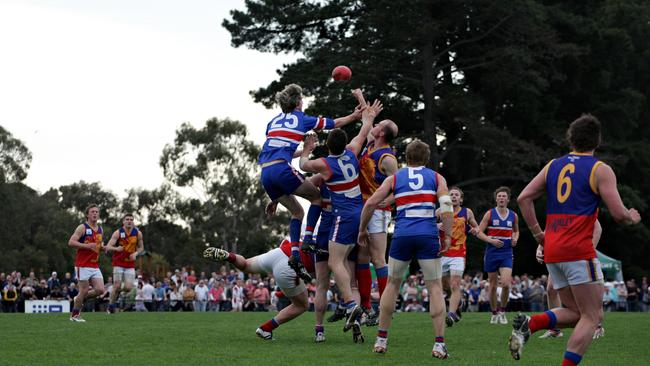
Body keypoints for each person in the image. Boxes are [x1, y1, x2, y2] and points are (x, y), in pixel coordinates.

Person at [512, 114, 641, 365]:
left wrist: (540, 235)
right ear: (598, 140)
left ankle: (532, 323)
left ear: (570, 138)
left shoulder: (553, 165)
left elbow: (523, 198)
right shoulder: (599, 169)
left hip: (553, 252)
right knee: (592, 317)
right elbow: (618, 214)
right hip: (579, 251)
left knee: (575, 313)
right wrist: (631, 217)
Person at [358, 139, 454, 358]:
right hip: (428, 235)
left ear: (406, 158)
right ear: (427, 159)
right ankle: (439, 344)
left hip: (402, 235)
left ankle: (381, 340)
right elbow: (447, 206)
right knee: (435, 288)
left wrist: (362, 229)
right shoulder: (437, 178)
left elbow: (371, 203)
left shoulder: (395, 178)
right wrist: (447, 236)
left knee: (392, 285)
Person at [259, 84, 363, 279]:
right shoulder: (303, 119)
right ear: (298, 102)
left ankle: (296, 255)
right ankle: (308, 240)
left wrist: (274, 198)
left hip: (266, 173)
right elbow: (333, 123)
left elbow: (277, 150)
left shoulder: (272, 122)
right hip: (281, 169)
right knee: (316, 198)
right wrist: (353, 117)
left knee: (297, 212)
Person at [299, 99, 383, 340]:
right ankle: (353, 304)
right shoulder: (353, 151)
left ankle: (349, 304)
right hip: (360, 213)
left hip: (341, 217)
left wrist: (307, 146)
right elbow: (365, 128)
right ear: (345, 144)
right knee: (350, 266)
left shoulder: (325, 165)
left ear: (327, 146)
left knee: (335, 264)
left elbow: (303, 164)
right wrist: (367, 113)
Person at [204, 238, 315, 340]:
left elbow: (285, 241)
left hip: (278, 253)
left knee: (245, 265)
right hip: (288, 266)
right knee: (302, 305)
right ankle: (266, 328)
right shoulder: (328, 244)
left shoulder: (313, 233)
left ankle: (230, 256)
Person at [356, 115, 399, 325]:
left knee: (378, 258)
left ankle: (384, 307)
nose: (374, 126)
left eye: (378, 125)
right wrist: (361, 99)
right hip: (363, 207)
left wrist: (387, 201)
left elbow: (400, 186)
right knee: (362, 258)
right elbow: (367, 121)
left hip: (378, 211)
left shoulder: (387, 158)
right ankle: (366, 307)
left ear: (381, 133)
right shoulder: (371, 146)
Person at [539, 220, 603, 339]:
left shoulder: (580, 204)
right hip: (560, 254)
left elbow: (597, 228)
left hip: (578, 255)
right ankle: (555, 329)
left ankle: (596, 325)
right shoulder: (558, 206)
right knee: (551, 289)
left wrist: (589, 249)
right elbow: (550, 228)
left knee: (587, 292)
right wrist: (540, 246)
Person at [435, 186, 480, 326]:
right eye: (451, 194)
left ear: (461, 199)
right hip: (442, 253)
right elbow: (428, 224)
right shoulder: (439, 211)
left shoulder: (467, 212)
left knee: (455, 284)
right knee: (445, 287)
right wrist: (436, 226)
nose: (454, 197)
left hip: (459, 253)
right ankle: (458, 303)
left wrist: (475, 229)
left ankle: (451, 314)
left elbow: (476, 227)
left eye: (456, 195)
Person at [477, 186, 520, 325]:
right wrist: (491, 240)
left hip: (507, 252)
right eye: (499, 196)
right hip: (491, 252)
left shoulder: (513, 215)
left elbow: (516, 231)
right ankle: (494, 313)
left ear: (508, 199)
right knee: (493, 285)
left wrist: (515, 238)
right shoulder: (489, 214)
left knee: (506, 284)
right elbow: (479, 231)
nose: (501, 198)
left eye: (504, 196)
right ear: (496, 199)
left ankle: (502, 311)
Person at [67, 204, 106, 322]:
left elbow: (98, 245)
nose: (95, 213)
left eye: (97, 212)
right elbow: (71, 242)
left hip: (94, 265)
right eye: (92, 212)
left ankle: (78, 299)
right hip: (82, 265)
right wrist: (86, 246)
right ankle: (74, 315)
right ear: (87, 214)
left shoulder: (100, 229)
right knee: (83, 290)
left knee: (100, 290)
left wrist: (103, 248)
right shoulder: (82, 227)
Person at [104, 213, 144, 313]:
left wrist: (136, 253)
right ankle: (111, 306)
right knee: (117, 285)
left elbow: (141, 247)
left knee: (128, 288)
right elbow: (108, 246)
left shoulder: (138, 233)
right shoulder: (118, 233)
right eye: (127, 219)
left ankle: (116, 293)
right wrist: (116, 248)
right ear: (123, 221)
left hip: (130, 264)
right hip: (118, 263)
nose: (129, 221)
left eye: (131, 219)